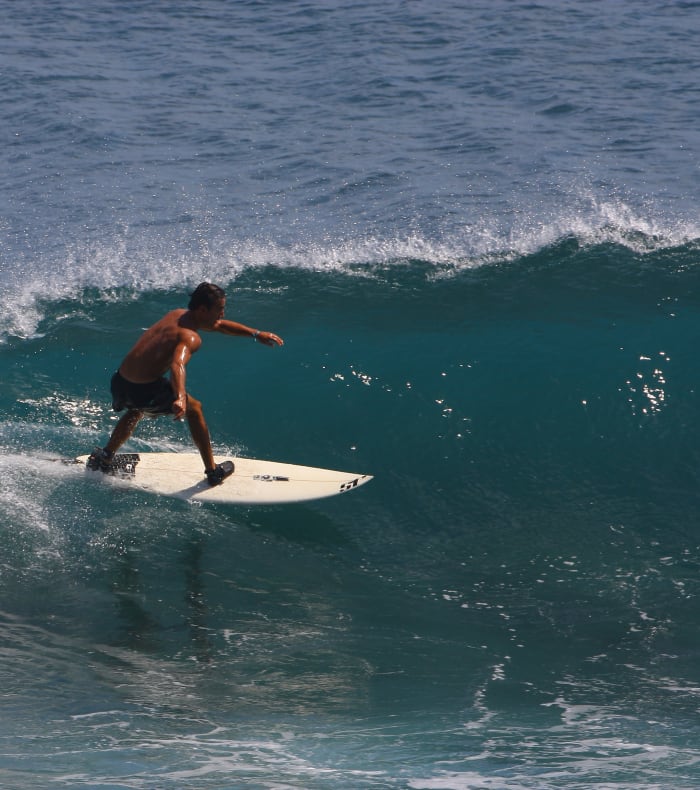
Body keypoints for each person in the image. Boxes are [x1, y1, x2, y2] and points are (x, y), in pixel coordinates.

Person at [87, 282, 284, 486]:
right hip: (143, 389)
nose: (223, 313)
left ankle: (106, 456)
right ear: (202, 309)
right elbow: (177, 364)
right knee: (195, 408)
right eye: (220, 309)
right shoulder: (190, 337)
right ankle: (213, 472)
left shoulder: (177, 314)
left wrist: (255, 333)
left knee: (136, 410)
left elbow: (218, 326)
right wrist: (180, 398)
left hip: (120, 382)